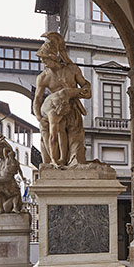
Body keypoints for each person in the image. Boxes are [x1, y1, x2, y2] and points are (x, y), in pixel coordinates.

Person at [33, 32, 91, 167]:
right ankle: (55, 163)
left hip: (72, 111)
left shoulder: (72, 70)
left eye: (45, 59)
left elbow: (85, 86)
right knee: (52, 138)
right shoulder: (43, 77)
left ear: (53, 57)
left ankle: (71, 163)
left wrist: (84, 90)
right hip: (55, 110)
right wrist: (38, 117)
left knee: (76, 148)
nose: (44, 63)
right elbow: (37, 99)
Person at [0, 134, 24, 215]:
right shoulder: (4, 161)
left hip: (8, 181)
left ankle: (11, 208)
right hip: (4, 182)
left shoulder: (10, 160)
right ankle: (2, 209)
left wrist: (4, 142)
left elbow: (8, 149)